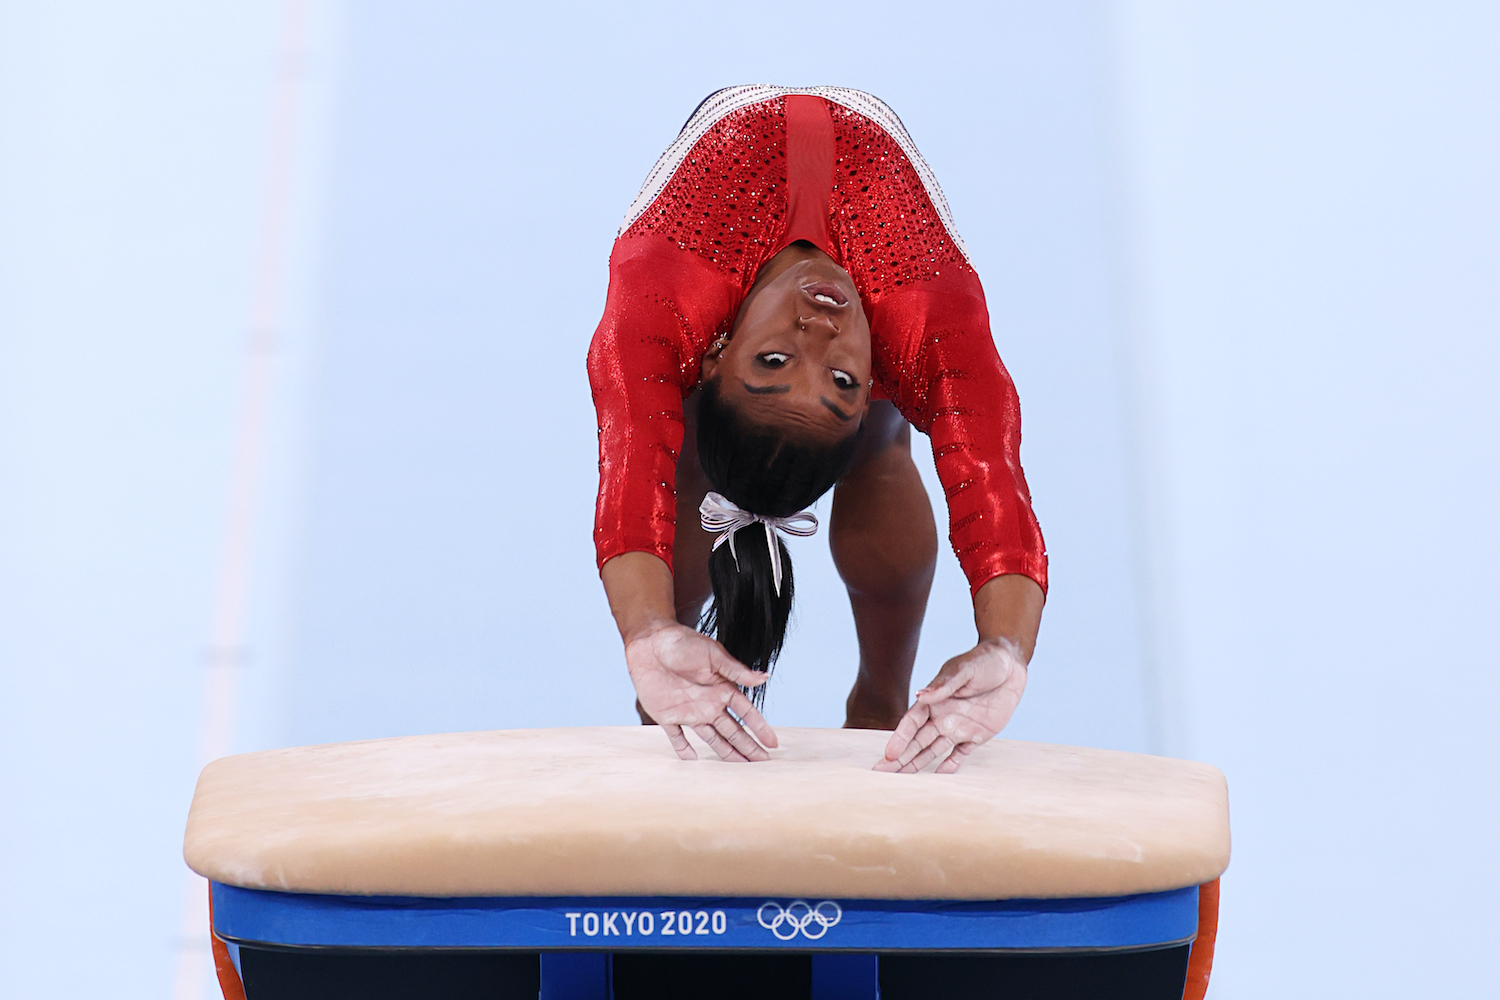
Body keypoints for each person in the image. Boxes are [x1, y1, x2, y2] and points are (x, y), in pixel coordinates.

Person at [588, 86, 1047, 773]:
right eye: (839, 381)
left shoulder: (662, 286)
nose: (821, 338)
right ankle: (673, 686)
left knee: (684, 429)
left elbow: (630, 465)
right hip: (864, 319)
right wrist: (646, 632)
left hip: (725, 303)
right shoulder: (928, 313)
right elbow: (997, 485)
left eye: (776, 361)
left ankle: (880, 702)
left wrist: (1007, 651)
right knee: (819, 438)